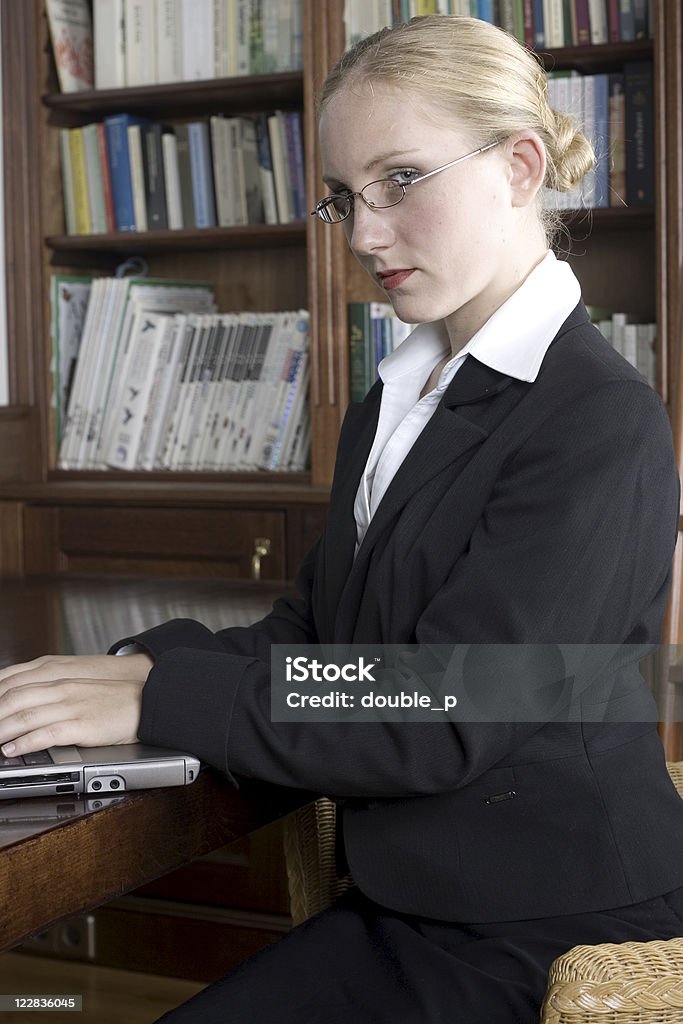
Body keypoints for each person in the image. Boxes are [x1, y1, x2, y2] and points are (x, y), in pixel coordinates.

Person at [2, 15, 683, 1023]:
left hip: (550, 919)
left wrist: (158, 702)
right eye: (344, 198)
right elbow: (320, 639)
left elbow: (442, 704)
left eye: (400, 180)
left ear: (519, 166)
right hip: (415, 899)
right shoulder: (396, 397)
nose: (363, 234)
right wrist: (141, 667)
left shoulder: (594, 419)